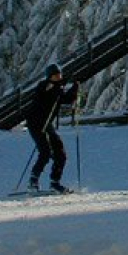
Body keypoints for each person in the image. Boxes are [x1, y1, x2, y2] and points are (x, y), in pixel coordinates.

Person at [25, 64, 78, 193]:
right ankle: (33, 181)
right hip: (36, 123)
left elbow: (66, 99)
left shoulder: (58, 87)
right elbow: (50, 91)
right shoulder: (44, 85)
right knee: (45, 151)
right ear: (49, 76)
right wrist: (61, 86)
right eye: (55, 75)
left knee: (60, 153)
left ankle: (55, 182)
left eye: (59, 75)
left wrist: (75, 89)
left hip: (47, 123)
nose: (58, 77)